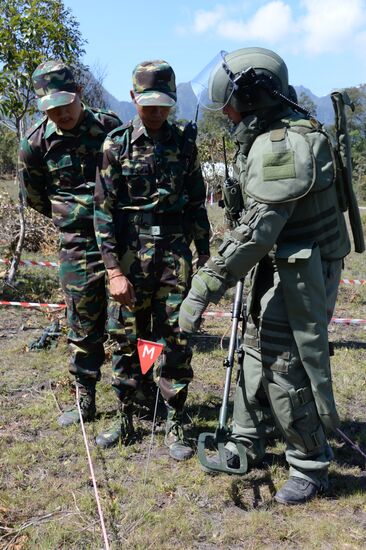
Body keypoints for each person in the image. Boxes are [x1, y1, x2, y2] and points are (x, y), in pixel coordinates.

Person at [179, 47, 352, 502]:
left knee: (285, 362)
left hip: (306, 267)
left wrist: (202, 288)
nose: (228, 112)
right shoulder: (267, 136)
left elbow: (257, 233)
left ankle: (311, 465)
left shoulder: (285, 147)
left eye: (232, 102)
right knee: (255, 349)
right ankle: (245, 437)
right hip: (287, 259)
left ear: (254, 97)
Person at [93, 59, 210, 460]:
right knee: (127, 335)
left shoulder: (185, 144)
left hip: (175, 255)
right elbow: (103, 212)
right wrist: (112, 270)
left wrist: (206, 255)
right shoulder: (116, 145)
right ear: (133, 99)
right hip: (129, 257)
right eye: (148, 104)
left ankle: (175, 415)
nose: (157, 112)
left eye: (164, 104)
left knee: (175, 336)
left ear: (173, 101)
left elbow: (197, 203)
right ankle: (126, 412)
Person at [19, 61, 122, 426]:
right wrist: (74, 217)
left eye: (65, 103)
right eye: (50, 108)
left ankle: (138, 392)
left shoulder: (110, 127)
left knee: (128, 320)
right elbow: (35, 197)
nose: (60, 113)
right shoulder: (34, 145)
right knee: (82, 321)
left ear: (78, 93)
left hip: (121, 239)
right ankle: (85, 398)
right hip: (76, 245)